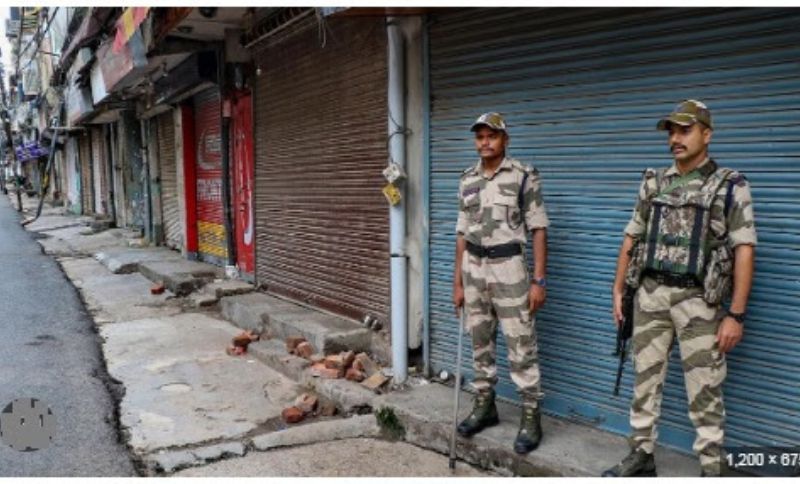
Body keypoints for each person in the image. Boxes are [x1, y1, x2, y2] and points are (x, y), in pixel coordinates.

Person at [603, 100, 757, 477]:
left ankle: (711, 466)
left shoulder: (730, 185)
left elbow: (744, 249)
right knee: (645, 380)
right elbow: (632, 236)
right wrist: (618, 289)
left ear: (707, 134)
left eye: (685, 130)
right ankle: (641, 455)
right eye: (671, 131)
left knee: (705, 387)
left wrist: (736, 315)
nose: (675, 138)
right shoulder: (653, 182)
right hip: (650, 295)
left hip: (698, 302)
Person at [452, 112, 549, 454]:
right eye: (479, 137)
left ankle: (531, 413)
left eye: (491, 136)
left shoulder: (523, 175)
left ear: (505, 139)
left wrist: (539, 280)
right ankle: (485, 404)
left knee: (521, 343)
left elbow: (538, 228)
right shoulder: (467, 179)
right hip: (474, 268)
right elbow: (462, 234)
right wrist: (458, 283)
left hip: (509, 268)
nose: (485, 142)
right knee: (480, 341)